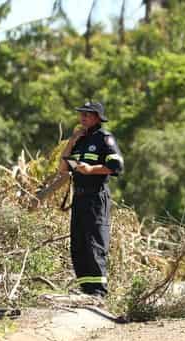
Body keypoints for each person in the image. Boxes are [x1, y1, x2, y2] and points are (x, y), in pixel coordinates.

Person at [58, 101, 124, 298]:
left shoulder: (104, 138)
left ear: (97, 117)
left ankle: (98, 292)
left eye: (88, 114)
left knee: (94, 242)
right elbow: (63, 167)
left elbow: (116, 166)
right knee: (79, 243)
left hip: (96, 196)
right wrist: (72, 140)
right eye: (82, 114)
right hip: (79, 197)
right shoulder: (80, 139)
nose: (83, 117)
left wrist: (91, 169)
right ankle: (85, 289)